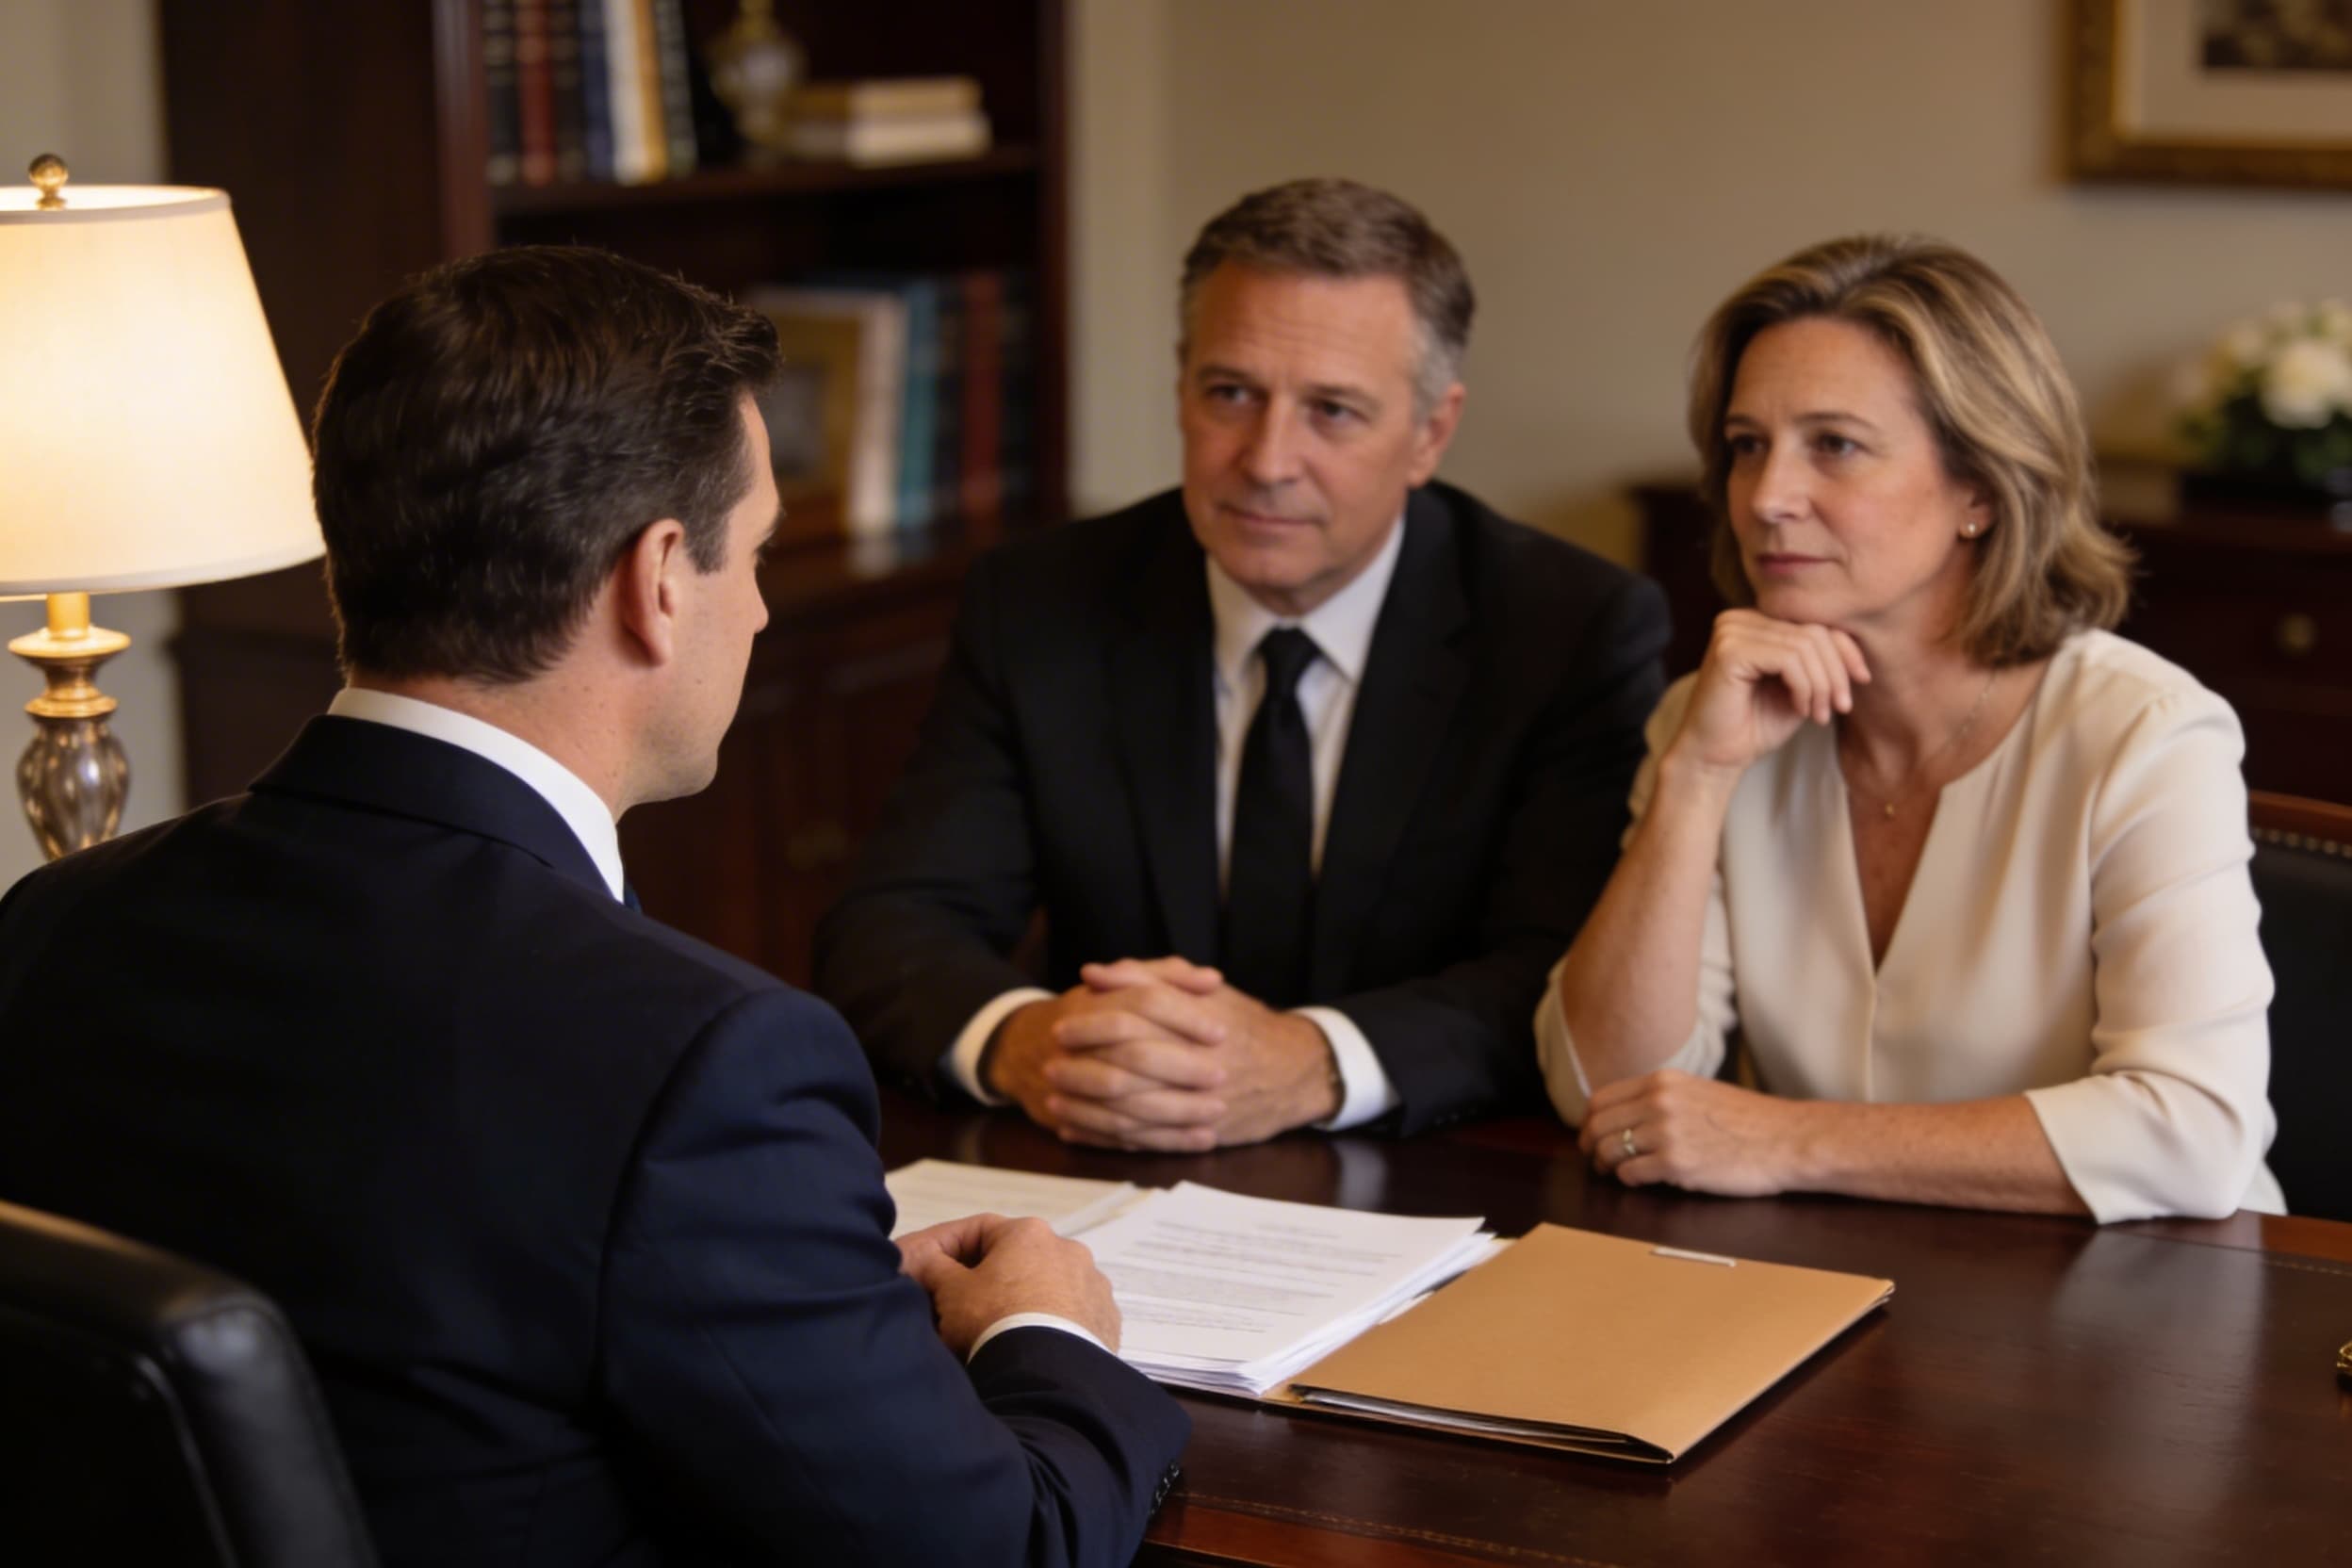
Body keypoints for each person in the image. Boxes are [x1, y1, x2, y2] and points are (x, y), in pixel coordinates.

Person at [0, 246, 1185, 1567]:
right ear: (658, 579)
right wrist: (1048, 1332)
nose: (763, 607)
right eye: (758, 557)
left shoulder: (52, 924)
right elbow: (1005, 1547)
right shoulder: (704, 1066)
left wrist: (778, 1270)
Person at [815, 178, 1669, 1150]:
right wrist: (1029, 1039)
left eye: (1333, 411)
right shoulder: (1044, 601)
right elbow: (890, 925)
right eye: (1231, 393)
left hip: (1442, 1181)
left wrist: (1315, 1061)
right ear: (1182, 386)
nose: (1267, 460)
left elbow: (1563, 976)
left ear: (1431, 431)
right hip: (1111, 1172)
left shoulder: (1568, 628)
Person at [1542, 235, 2280, 1223]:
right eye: (1748, 444)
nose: (1768, 497)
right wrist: (1698, 777)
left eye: (1834, 445)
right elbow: (1606, 1096)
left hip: (2145, 1306)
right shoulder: (1710, 719)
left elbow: (2192, 1131)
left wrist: (1782, 1137)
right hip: (1819, 1289)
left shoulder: (2146, 735)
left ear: (1979, 486)